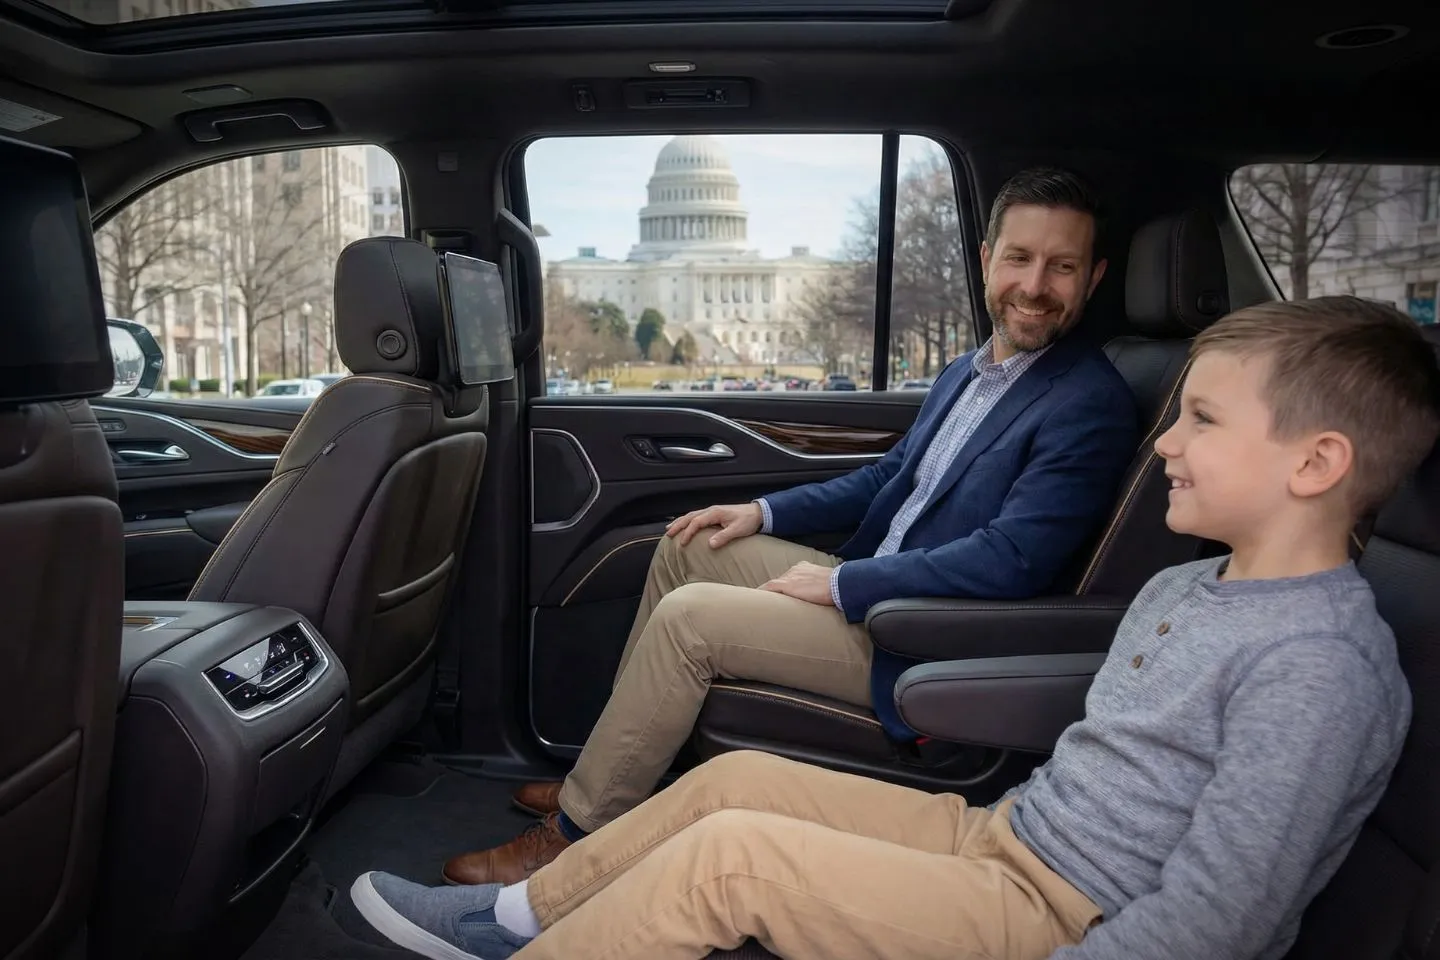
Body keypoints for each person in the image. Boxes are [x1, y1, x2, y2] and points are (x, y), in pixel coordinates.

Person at [353, 294, 1440, 959]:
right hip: (1007, 837)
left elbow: (1223, 922)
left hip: (1068, 916)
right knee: (733, 787)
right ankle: (522, 920)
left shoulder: (1319, 668)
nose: (1166, 441)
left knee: (736, 858)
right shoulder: (1188, 589)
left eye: (1200, 420)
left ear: (1315, 463)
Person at [442, 166, 1140, 885]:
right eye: (1020, 258)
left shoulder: (1088, 401)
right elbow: (889, 478)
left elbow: (1013, 561)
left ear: (1093, 279)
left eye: (1062, 267)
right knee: (689, 546)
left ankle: (579, 834)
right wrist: (760, 512)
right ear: (987, 257)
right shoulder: (974, 370)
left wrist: (846, 587)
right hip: (884, 590)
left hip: (927, 632)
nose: (1034, 285)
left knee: (691, 620)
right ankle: (619, 775)